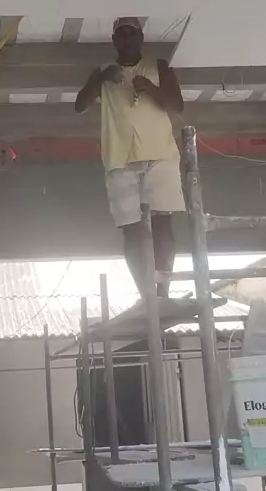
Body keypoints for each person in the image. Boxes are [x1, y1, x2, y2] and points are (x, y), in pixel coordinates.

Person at [75, 17, 185, 298]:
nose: (127, 39)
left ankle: (162, 293)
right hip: (119, 159)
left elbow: (177, 104)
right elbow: (80, 105)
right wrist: (102, 77)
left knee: (162, 224)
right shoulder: (103, 72)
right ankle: (147, 296)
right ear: (114, 40)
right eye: (121, 35)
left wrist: (151, 88)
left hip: (160, 155)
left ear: (141, 37)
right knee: (131, 230)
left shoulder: (158, 66)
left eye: (132, 34)